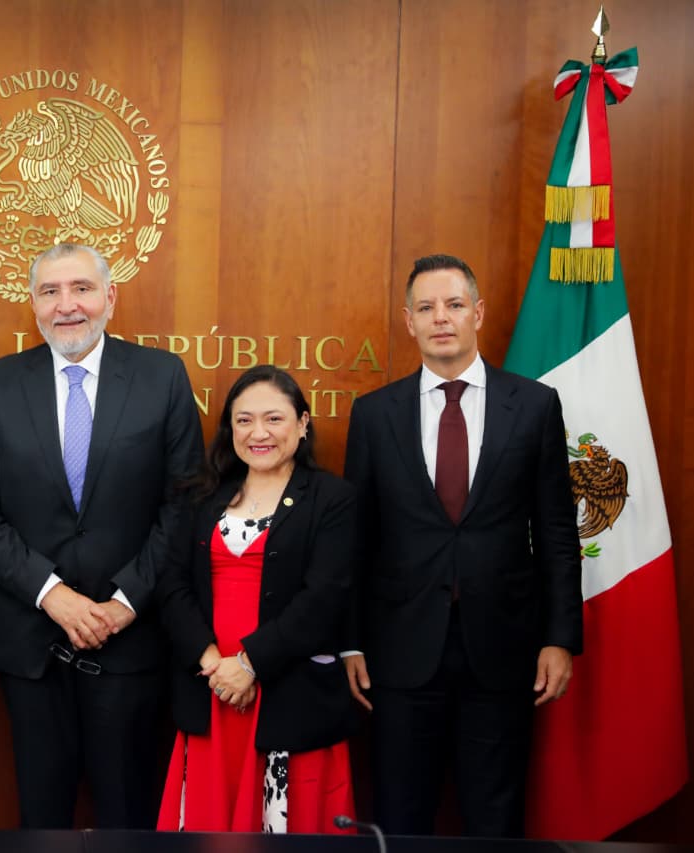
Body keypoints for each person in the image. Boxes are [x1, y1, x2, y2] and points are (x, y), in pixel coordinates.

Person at [0, 242, 203, 829]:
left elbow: (185, 502)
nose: (67, 305)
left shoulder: (161, 376)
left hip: (132, 640)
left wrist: (124, 603)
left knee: (127, 815)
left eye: (81, 289)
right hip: (32, 640)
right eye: (50, 291)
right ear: (34, 304)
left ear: (110, 297)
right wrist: (52, 594)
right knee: (42, 816)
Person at [343, 253, 582, 837]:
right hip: (400, 651)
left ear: (478, 313)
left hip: (503, 647)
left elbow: (557, 531)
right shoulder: (374, 414)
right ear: (409, 322)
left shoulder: (534, 406)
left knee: (494, 817)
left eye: (453, 305)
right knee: (401, 815)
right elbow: (357, 540)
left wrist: (559, 638)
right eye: (426, 308)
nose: (441, 318)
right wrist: (350, 642)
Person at [155, 365, 358, 834]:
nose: (258, 433)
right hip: (213, 691)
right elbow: (171, 584)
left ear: (303, 424)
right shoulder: (202, 495)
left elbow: (323, 597)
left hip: (287, 690)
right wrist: (215, 666)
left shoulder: (332, 497)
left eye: (274, 419)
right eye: (244, 420)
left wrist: (249, 665)